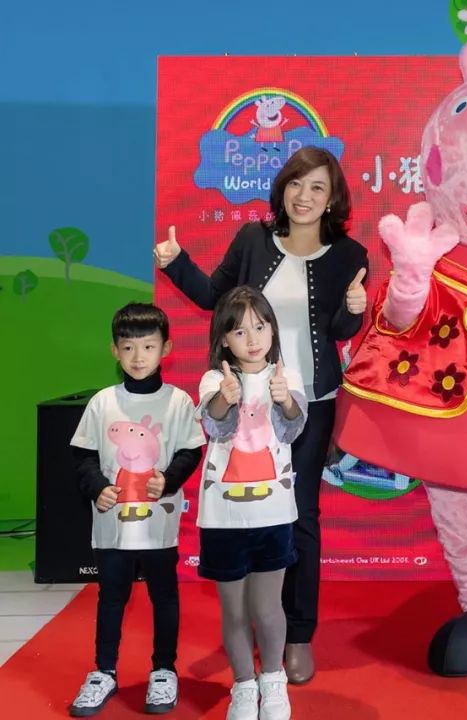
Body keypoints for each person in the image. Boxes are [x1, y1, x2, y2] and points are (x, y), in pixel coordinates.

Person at [155, 146, 368, 683]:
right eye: (296, 183)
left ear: (332, 199)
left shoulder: (350, 254)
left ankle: (297, 635)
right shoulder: (253, 239)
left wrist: (355, 310)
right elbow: (214, 297)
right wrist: (175, 263)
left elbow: (340, 332)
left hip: (309, 403)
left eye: (317, 187)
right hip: (245, 403)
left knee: (301, 517)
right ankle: (252, 625)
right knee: (249, 511)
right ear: (282, 189)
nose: (304, 196)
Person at [68, 303, 205, 716]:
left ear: (166, 349)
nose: (138, 357)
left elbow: (191, 449)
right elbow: (83, 455)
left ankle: (164, 669)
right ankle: (103, 670)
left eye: (148, 346)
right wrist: (97, 488)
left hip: (158, 526)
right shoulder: (102, 403)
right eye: (128, 348)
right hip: (111, 528)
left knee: (164, 595)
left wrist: (171, 478)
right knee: (112, 596)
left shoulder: (178, 402)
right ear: (115, 351)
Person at [197, 286, 307, 720]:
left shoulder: (286, 376)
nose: (252, 338)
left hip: (274, 514)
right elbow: (215, 427)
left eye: (260, 327)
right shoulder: (213, 380)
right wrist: (225, 397)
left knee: (266, 606)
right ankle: (243, 685)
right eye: (240, 331)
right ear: (225, 340)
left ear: (273, 330)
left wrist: (286, 400)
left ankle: (273, 680)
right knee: (234, 608)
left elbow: (293, 429)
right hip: (222, 517)